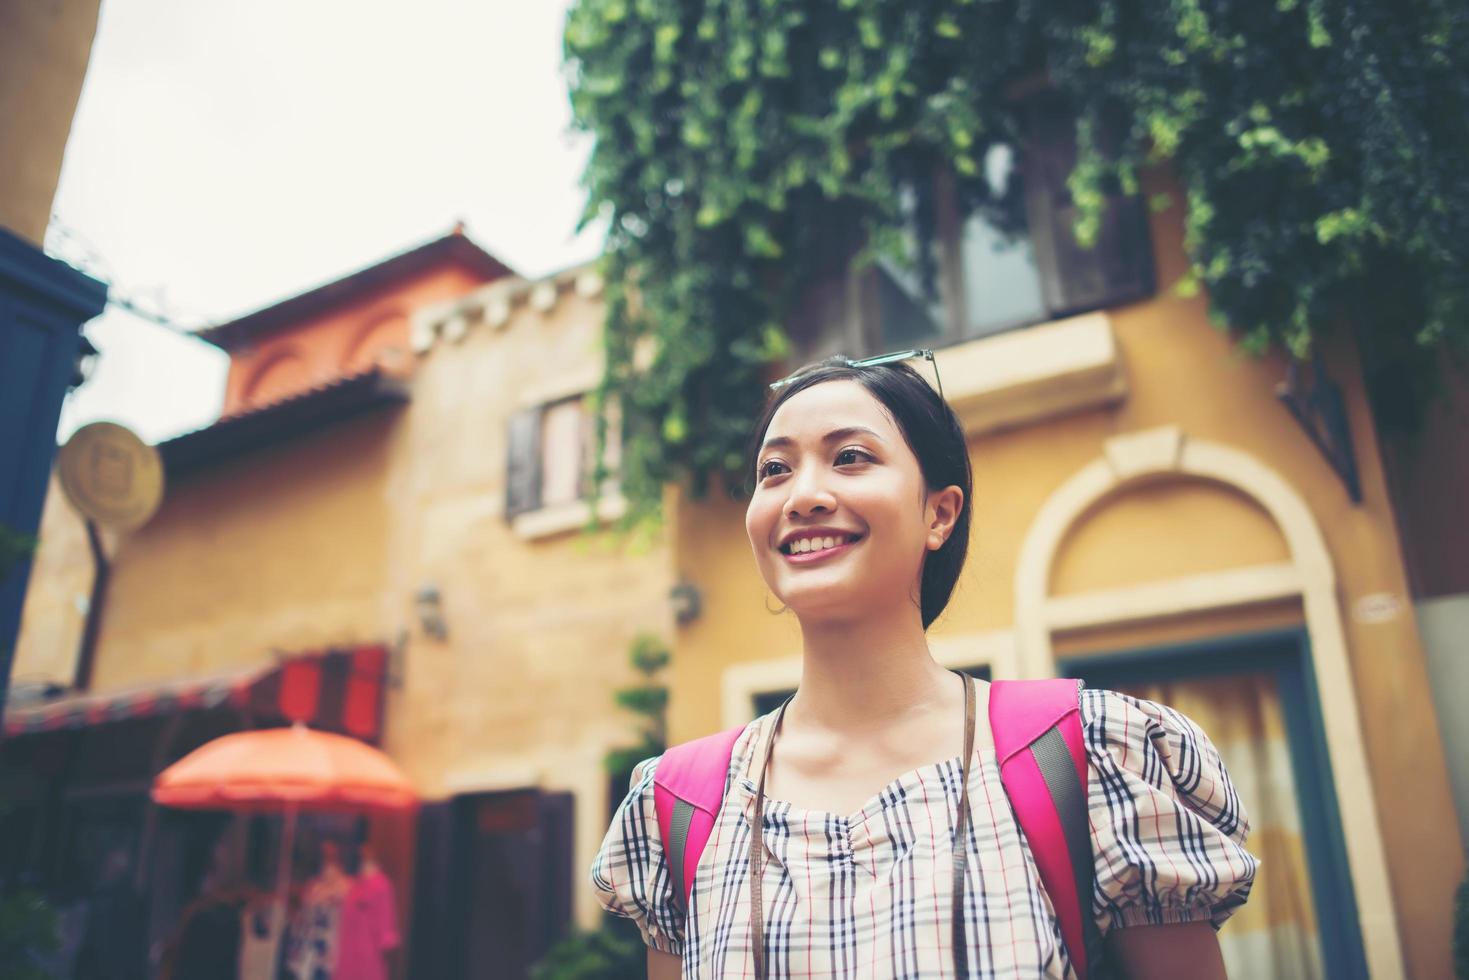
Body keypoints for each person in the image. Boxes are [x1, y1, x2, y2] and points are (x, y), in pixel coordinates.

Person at [591, 353, 1259, 979]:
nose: (802, 496)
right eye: (774, 470)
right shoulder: (676, 803)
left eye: (849, 457)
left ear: (938, 514)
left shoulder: (1087, 757)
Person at [333, 841, 400, 980]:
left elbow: (386, 921)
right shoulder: (356, 884)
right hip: (348, 950)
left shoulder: (382, 885)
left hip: (368, 952)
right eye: (362, 856)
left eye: (367, 855)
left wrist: (384, 942)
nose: (363, 858)